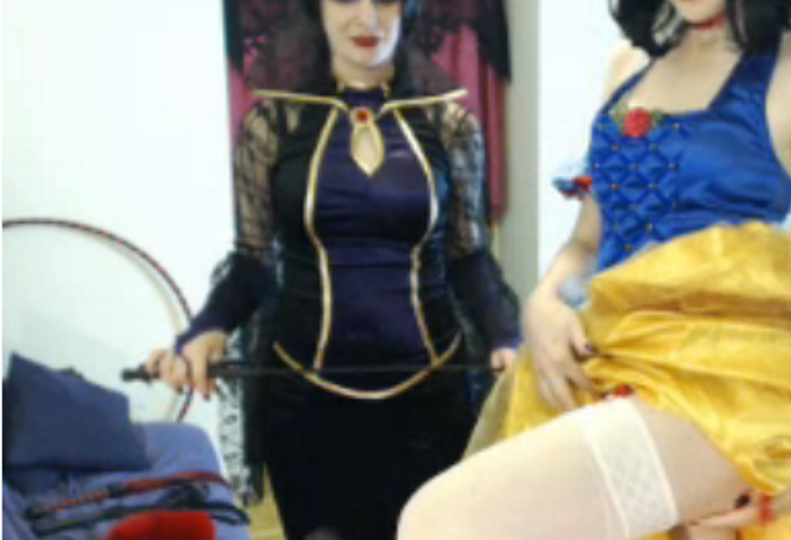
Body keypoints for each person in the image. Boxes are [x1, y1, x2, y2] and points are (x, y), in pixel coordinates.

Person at [396, 1, 791, 540]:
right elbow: (587, 242)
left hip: (734, 394)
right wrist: (543, 301)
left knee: (440, 521)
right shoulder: (629, 67)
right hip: (612, 367)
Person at [146, 1, 521, 539]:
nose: (367, 18)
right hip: (304, 407)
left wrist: (506, 335)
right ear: (316, 10)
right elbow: (253, 261)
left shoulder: (450, 125)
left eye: (385, 0)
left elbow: (468, 257)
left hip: (431, 403)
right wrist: (206, 329)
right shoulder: (271, 127)